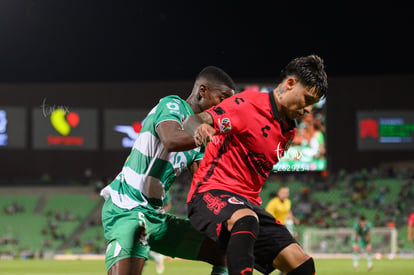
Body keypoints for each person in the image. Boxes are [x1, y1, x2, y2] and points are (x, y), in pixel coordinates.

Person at [183, 54, 328, 275]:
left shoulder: (288, 130)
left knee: (303, 265)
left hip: (248, 204)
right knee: (246, 220)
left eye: (312, 104)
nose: (308, 109)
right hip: (210, 193)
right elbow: (195, 120)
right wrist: (201, 129)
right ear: (290, 84)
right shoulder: (247, 104)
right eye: (307, 100)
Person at [100, 65, 236, 275]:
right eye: (222, 98)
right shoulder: (172, 104)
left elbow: (204, 182)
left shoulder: (199, 143)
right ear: (203, 91)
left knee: (224, 251)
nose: (224, 106)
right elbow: (171, 139)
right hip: (126, 208)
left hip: (155, 216)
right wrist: (212, 133)